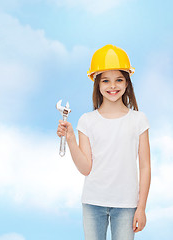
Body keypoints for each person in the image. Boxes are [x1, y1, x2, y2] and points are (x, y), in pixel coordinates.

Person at [56, 44, 151, 240]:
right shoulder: (86, 121)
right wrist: (71, 139)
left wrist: (141, 208)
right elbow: (85, 168)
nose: (112, 86)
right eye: (105, 80)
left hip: (127, 205)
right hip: (93, 203)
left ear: (127, 83)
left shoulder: (139, 120)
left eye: (119, 80)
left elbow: (145, 166)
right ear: (97, 84)